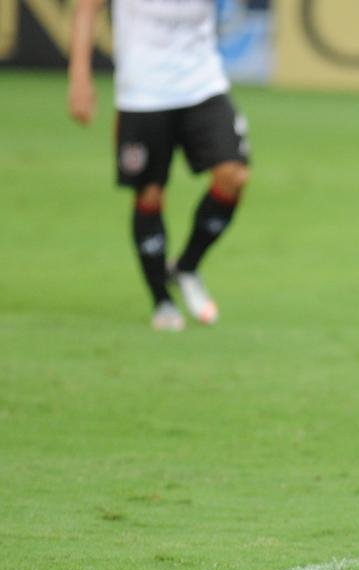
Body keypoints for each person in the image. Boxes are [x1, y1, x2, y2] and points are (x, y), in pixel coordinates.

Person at [67, 0, 250, 331]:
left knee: (233, 176)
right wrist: (79, 77)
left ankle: (186, 266)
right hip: (143, 92)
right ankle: (161, 300)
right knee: (149, 194)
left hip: (203, 83)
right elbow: (86, 8)